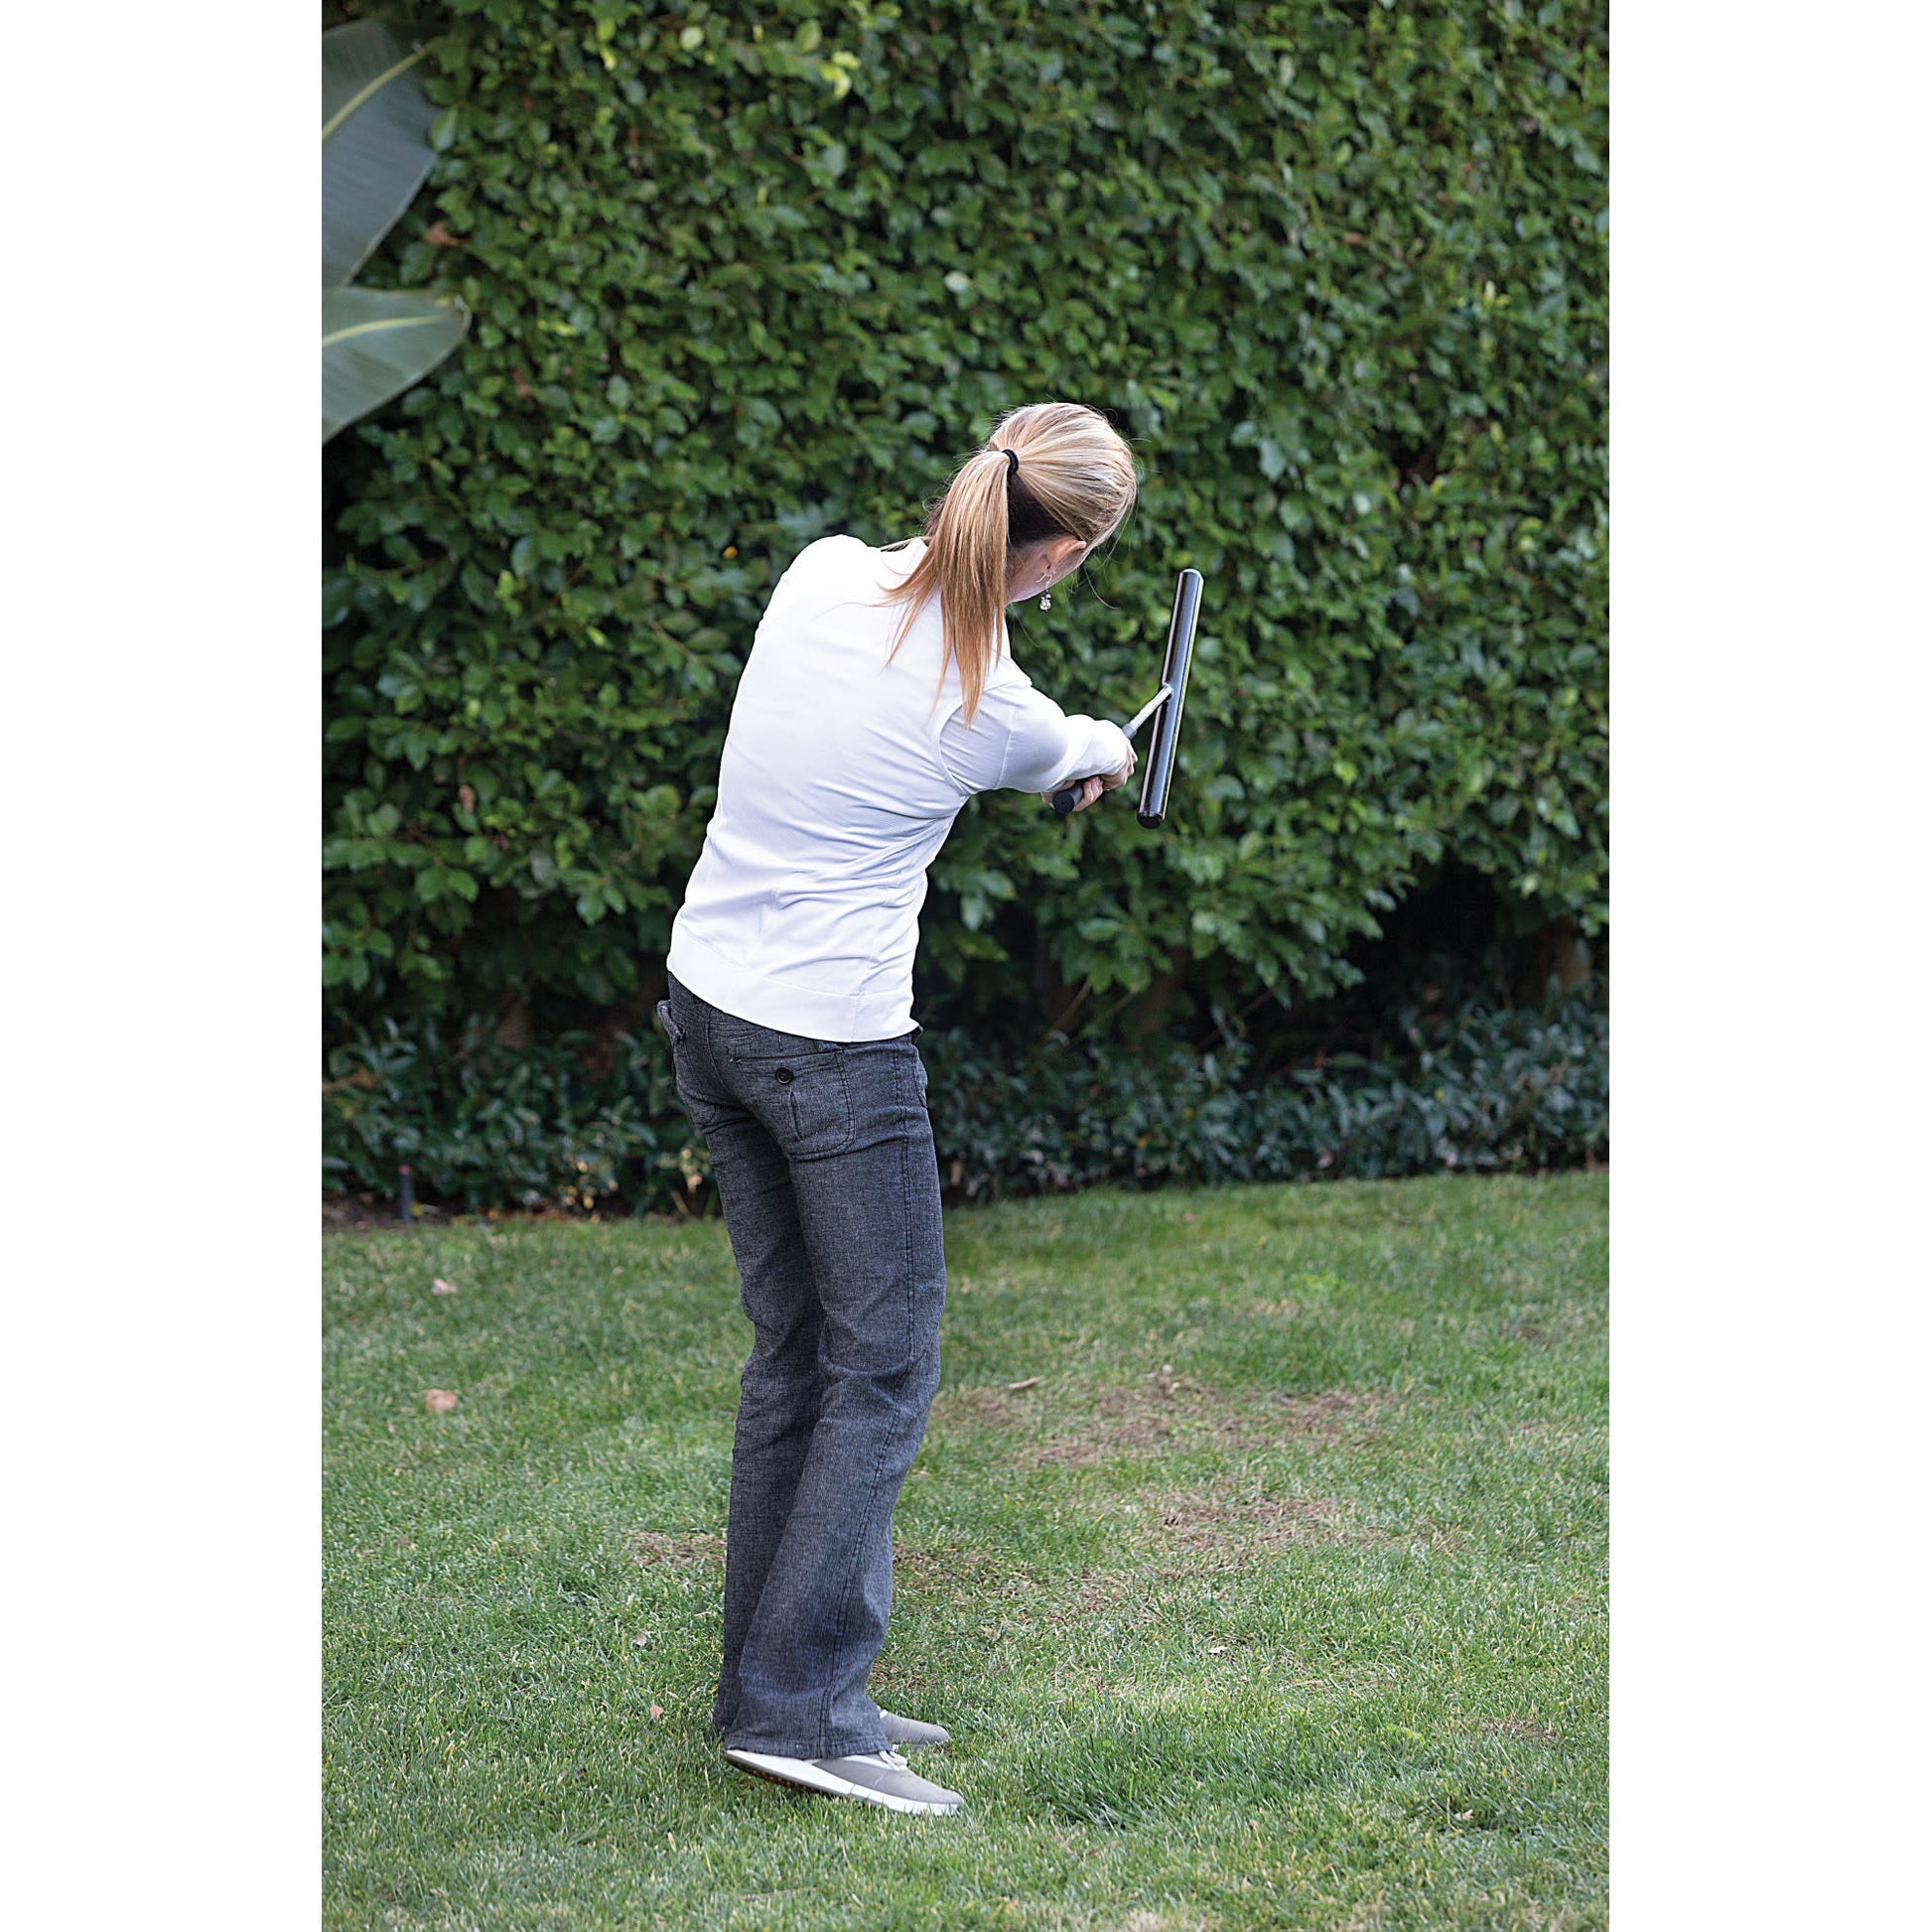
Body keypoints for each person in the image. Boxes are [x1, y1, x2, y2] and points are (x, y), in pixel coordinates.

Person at [657, 401, 1140, 1816]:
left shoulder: (816, 573)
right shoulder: (995, 709)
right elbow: (1070, 744)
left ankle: (778, 1685)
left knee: (797, 1353)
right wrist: (1103, 749)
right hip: (831, 1053)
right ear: (1068, 550)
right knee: (882, 1367)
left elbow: (953, 658)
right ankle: (799, 1707)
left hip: (707, 1009)